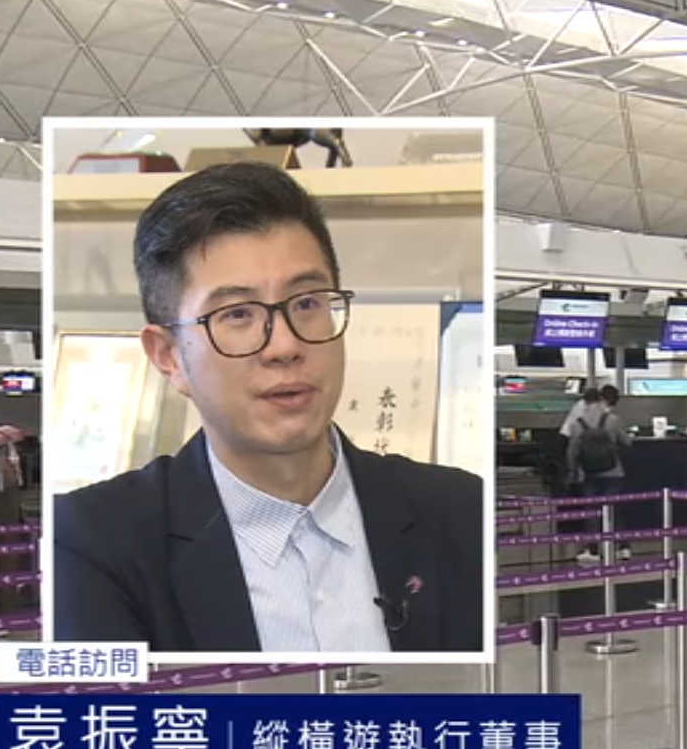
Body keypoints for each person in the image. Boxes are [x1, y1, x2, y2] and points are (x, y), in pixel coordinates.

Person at [51, 161, 486, 653]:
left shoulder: (457, 511)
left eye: (307, 303)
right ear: (168, 357)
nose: (284, 346)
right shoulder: (94, 542)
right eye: (237, 314)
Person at [566, 388, 632, 565]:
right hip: (614, 472)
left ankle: (593, 550)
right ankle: (623, 548)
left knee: (592, 511)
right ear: (600, 400)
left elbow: (572, 453)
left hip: (590, 474)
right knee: (614, 509)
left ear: (585, 402)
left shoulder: (577, 424)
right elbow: (627, 442)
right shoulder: (612, 420)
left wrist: (572, 473)